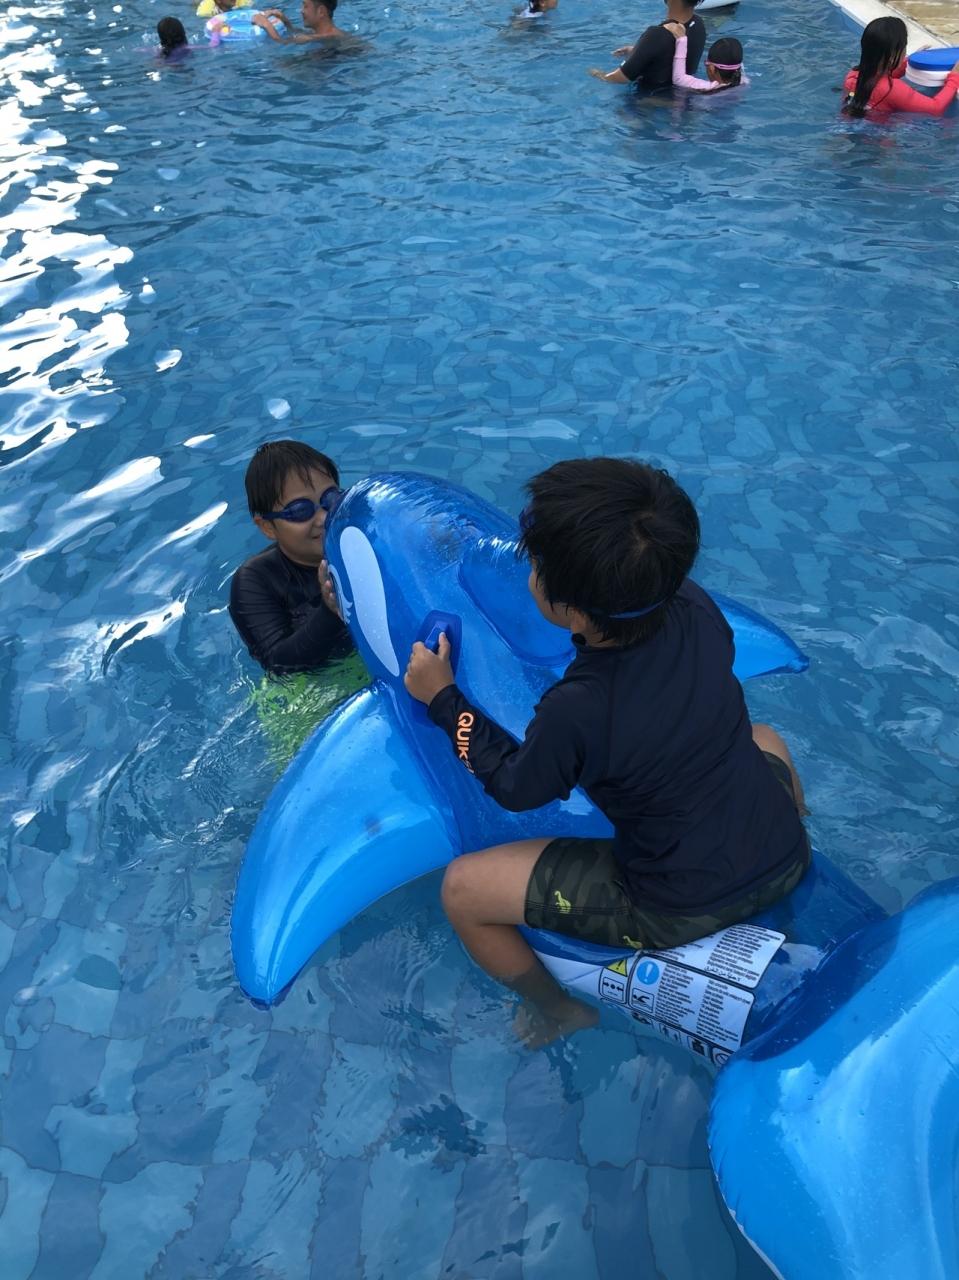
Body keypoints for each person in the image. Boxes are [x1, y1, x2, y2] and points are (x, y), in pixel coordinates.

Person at [404, 458, 811, 1047]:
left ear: (569, 608)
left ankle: (556, 1011)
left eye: (533, 562)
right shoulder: (696, 605)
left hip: (677, 902)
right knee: (765, 737)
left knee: (463, 891)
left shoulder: (579, 707)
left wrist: (443, 699)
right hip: (786, 850)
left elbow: (517, 787)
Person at [229, 440, 351, 674]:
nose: (323, 518)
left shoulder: (358, 540)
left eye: (330, 499)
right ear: (267, 527)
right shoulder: (255, 580)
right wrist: (330, 611)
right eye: (300, 511)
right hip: (314, 681)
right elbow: (278, 661)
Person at [843, 18, 959, 117]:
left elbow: (879, 81)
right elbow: (935, 108)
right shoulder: (893, 89)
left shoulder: (853, 75)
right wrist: (955, 77)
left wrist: (908, 62)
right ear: (892, 57)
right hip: (881, 135)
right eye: (904, 47)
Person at [588, 0, 705, 92]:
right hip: (679, 94)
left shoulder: (656, 35)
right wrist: (638, 51)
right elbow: (668, 54)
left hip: (647, 101)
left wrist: (598, 74)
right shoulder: (698, 24)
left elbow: (620, 78)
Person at [668, 28, 747, 92]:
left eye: (706, 63)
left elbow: (679, 78)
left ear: (712, 68)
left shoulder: (709, 88)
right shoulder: (743, 82)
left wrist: (681, 39)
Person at [256, 0, 348, 41]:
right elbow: (297, 33)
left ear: (321, 11)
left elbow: (281, 42)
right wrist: (285, 21)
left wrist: (265, 24)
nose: (302, 11)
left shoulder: (322, 37)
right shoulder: (324, 34)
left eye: (305, 6)